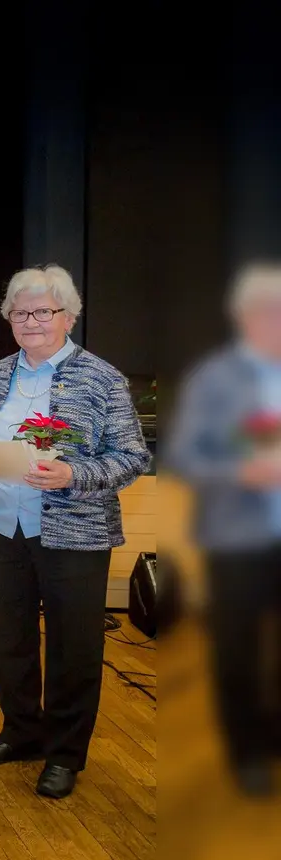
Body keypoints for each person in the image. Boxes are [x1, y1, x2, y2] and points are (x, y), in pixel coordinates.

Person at [0, 265, 150, 800]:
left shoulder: (101, 377)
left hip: (75, 533)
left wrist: (73, 474)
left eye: (43, 311)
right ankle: (22, 732)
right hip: (1, 527)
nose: (31, 321)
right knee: (9, 638)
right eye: (20, 313)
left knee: (74, 646)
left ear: (69, 316)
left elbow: (132, 457)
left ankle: (65, 754)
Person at [166, 263, 281, 797]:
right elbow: (183, 455)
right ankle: (247, 751)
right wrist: (240, 471)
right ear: (244, 317)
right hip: (237, 538)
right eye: (267, 313)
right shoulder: (214, 378)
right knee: (237, 650)